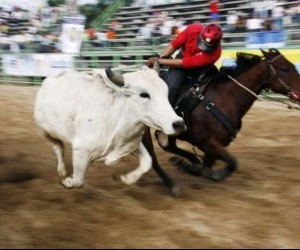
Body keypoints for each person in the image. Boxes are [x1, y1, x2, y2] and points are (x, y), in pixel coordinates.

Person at [146, 23, 223, 106]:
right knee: (173, 85)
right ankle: (167, 107)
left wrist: (157, 60)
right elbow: (175, 44)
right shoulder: (193, 28)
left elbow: (182, 63)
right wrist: (161, 57)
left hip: (200, 67)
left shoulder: (215, 54)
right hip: (182, 57)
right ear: (200, 34)